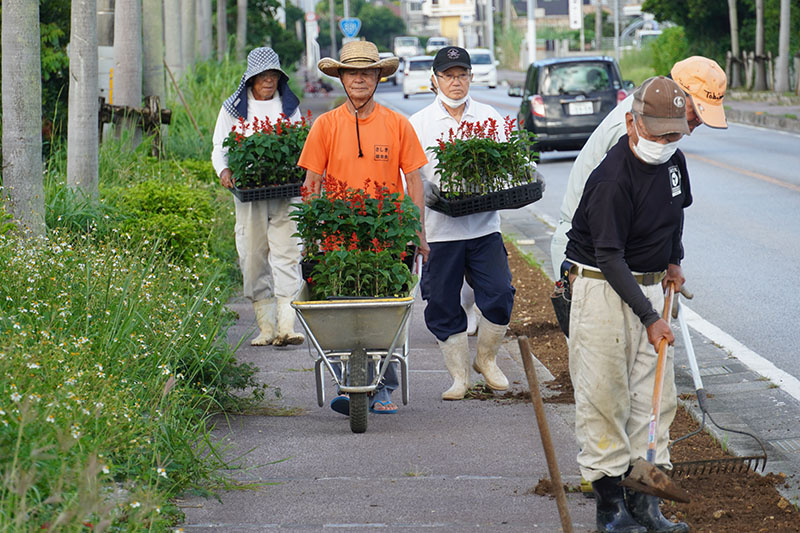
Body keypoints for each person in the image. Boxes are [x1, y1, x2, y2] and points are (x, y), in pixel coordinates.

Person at [566, 76, 692, 533]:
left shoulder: (674, 163)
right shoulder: (612, 179)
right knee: (605, 396)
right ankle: (610, 509)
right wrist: (650, 317)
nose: (665, 142)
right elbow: (608, 255)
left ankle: (646, 505)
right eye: (657, 133)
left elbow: (675, 214)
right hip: (603, 288)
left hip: (652, 286)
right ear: (631, 122)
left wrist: (673, 261)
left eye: (673, 133)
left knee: (655, 400)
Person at [297, 40, 430, 414]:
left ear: (377, 77)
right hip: (339, 241)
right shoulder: (325, 126)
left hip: (387, 239)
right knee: (343, 314)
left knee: (386, 313)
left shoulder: (397, 124)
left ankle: (384, 386)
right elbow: (311, 184)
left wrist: (418, 232)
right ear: (340, 77)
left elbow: (415, 181)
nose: (359, 79)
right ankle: (349, 384)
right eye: (352, 72)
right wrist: (312, 238)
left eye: (366, 72)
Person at [550, 56, 728, 278]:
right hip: (589, 255)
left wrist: (672, 260)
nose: (699, 122)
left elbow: (671, 202)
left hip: (624, 252)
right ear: (677, 95)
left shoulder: (661, 124)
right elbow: (609, 247)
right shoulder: (639, 131)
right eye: (698, 111)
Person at [408, 47, 516, 401]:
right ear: (435, 79)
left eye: (462, 74)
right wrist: (416, 229)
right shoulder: (419, 123)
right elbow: (412, 181)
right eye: (448, 75)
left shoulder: (490, 116)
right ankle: (458, 376)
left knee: (499, 293)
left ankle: (486, 360)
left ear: (471, 76)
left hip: (484, 226)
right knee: (440, 300)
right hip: (440, 231)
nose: (456, 81)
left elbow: (507, 169)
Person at [211, 47, 306, 347]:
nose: (268, 81)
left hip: (286, 191)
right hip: (248, 192)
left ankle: (287, 326)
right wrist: (224, 171)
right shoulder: (233, 109)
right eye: (262, 76)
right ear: (250, 78)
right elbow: (219, 147)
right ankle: (266, 328)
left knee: (288, 252)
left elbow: (300, 146)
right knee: (252, 255)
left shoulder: (289, 107)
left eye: (273, 76)